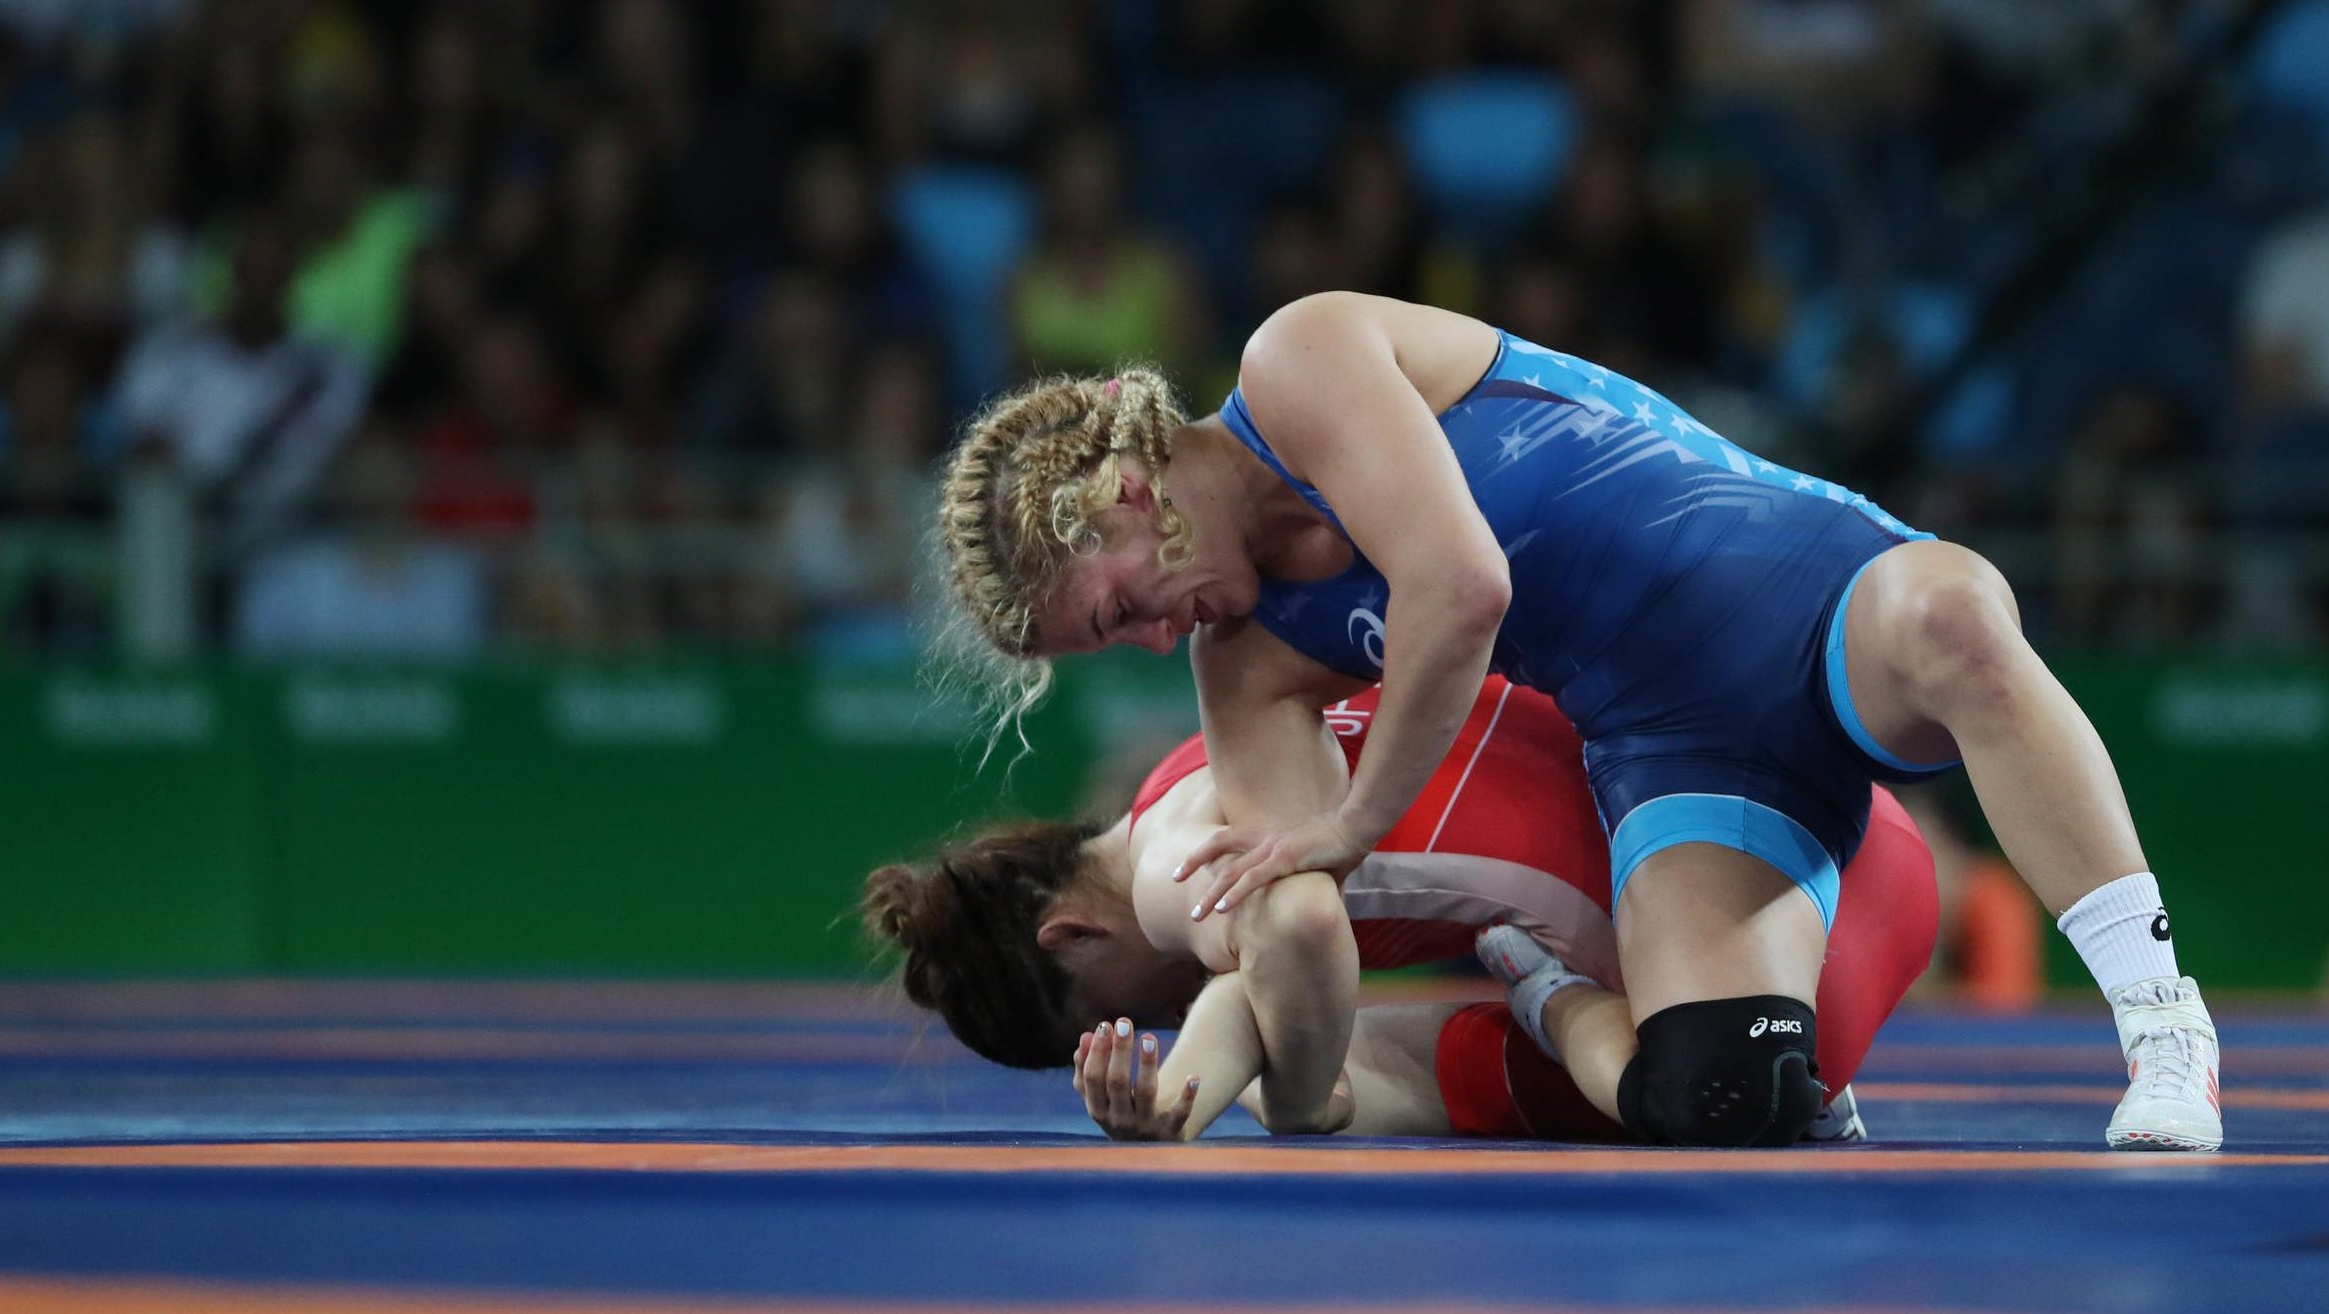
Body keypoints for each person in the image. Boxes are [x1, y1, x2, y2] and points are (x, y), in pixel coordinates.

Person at [932, 291, 2220, 1151]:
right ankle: (1563, 997)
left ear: (1121, 491)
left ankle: (2164, 1027)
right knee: (1721, 1099)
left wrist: (1355, 820)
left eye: (1116, 612)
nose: (1158, 639)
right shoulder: (1246, 662)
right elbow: (1296, 920)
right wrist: (1263, 1089)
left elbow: (1462, 585)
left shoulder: (1297, 362)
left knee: (1955, 619)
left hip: (1798, 588)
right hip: (1679, 751)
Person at [866, 678, 1936, 1144]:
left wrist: (1287, 1103)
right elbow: (1254, 978)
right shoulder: (1188, 771)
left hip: (1781, 994)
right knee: (1295, 1046)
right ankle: (1571, 998)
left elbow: (1296, 931)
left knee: (1319, 1076)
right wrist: (1188, 1099)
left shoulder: (1167, 877)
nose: (1158, 1021)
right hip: (1865, 846)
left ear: (1071, 934)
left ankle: (1556, 1003)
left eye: (1120, 1019)